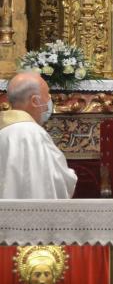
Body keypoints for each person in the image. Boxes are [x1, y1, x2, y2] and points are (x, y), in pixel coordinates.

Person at [0, 72, 77, 200]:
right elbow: (58, 182)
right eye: (47, 94)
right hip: (31, 217)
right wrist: (71, 175)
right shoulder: (34, 134)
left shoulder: (3, 130)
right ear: (35, 101)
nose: (49, 100)